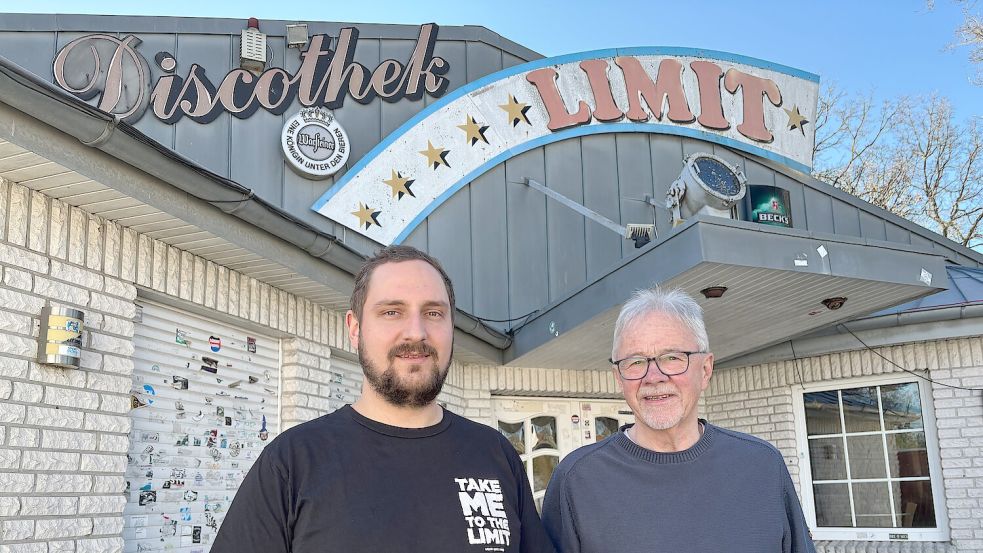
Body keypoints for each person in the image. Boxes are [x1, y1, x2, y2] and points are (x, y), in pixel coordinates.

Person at [213, 245, 553, 553]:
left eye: (434, 313)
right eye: (392, 312)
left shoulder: (495, 455)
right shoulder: (292, 462)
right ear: (355, 328)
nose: (416, 332)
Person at [541, 287, 815, 553]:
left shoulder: (762, 466)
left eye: (672, 357)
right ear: (618, 377)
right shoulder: (577, 480)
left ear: (705, 369)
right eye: (635, 362)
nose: (654, 377)